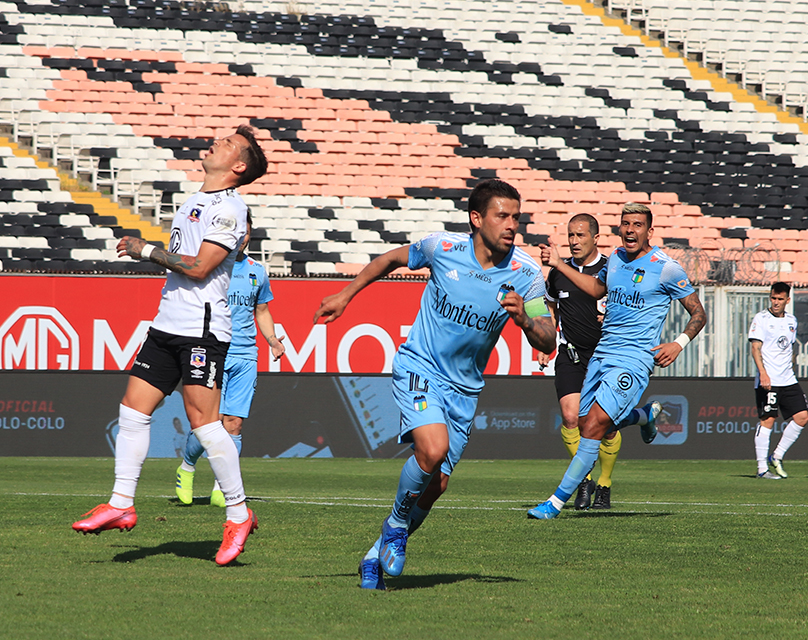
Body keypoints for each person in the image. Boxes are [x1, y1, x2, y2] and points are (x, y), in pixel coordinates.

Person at [313, 179, 556, 590]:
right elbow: (391, 259)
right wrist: (346, 294)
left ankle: (374, 554)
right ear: (477, 219)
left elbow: (548, 336)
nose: (512, 224)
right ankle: (394, 529)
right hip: (420, 367)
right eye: (503, 216)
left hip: (464, 390)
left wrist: (526, 321)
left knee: (437, 482)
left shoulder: (527, 274)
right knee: (432, 448)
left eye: (517, 216)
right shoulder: (442, 248)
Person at [72, 125, 268, 566]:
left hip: (202, 330)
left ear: (238, 166)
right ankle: (122, 502)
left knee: (205, 424)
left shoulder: (229, 209)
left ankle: (237, 513)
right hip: (167, 324)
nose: (218, 142)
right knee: (132, 408)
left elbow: (199, 269)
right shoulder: (197, 200)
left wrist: (146, 250)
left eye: (230, 144)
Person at [527, 203, 707, 519]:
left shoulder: (667, 268)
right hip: (602, 354)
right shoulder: (616, 261)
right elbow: (597, 289)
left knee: (594, 427)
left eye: (637, 224)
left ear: (649, 231)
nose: (630, 230)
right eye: (625, 223)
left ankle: (554, 503)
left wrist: (678, 344)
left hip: (634, 360)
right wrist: (559, 264)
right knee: (584, 424)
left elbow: (698, 312)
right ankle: (644, 416)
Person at [175, 210, 286, 507]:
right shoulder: (210, 267)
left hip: (246, 355)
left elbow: (261, 311)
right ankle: (186, 467)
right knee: (209, 423)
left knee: (233, 424)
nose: (242, 237)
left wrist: (273, 341)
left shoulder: (258, 271)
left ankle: (221, 487)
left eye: (246, 231)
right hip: (213, 351)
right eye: (238, 231)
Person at [537, 213, 620, 510]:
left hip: (606, 355)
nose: (574, 241)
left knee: (604, 426)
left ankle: (605, 484)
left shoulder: (613, 269)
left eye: (580, 235)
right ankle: (583, 480)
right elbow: (551, 306)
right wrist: (547, 340)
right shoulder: (558, 273)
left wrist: (612, 316)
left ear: (595, 238)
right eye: (571, 235)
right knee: (571, 418)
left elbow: (630, 305)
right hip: (570, 353)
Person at [749, 282, 808, 479]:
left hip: (788, 379)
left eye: (780, 299)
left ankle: (777, 456)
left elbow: (789, 349)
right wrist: (763, 374)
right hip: (769, 379)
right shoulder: (761, 318)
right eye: (773, 298)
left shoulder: (792, 320)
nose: (776, 302)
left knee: (802, 417)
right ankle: (761, 469)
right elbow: (755, 348)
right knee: (768, 420)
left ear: (787, 300)